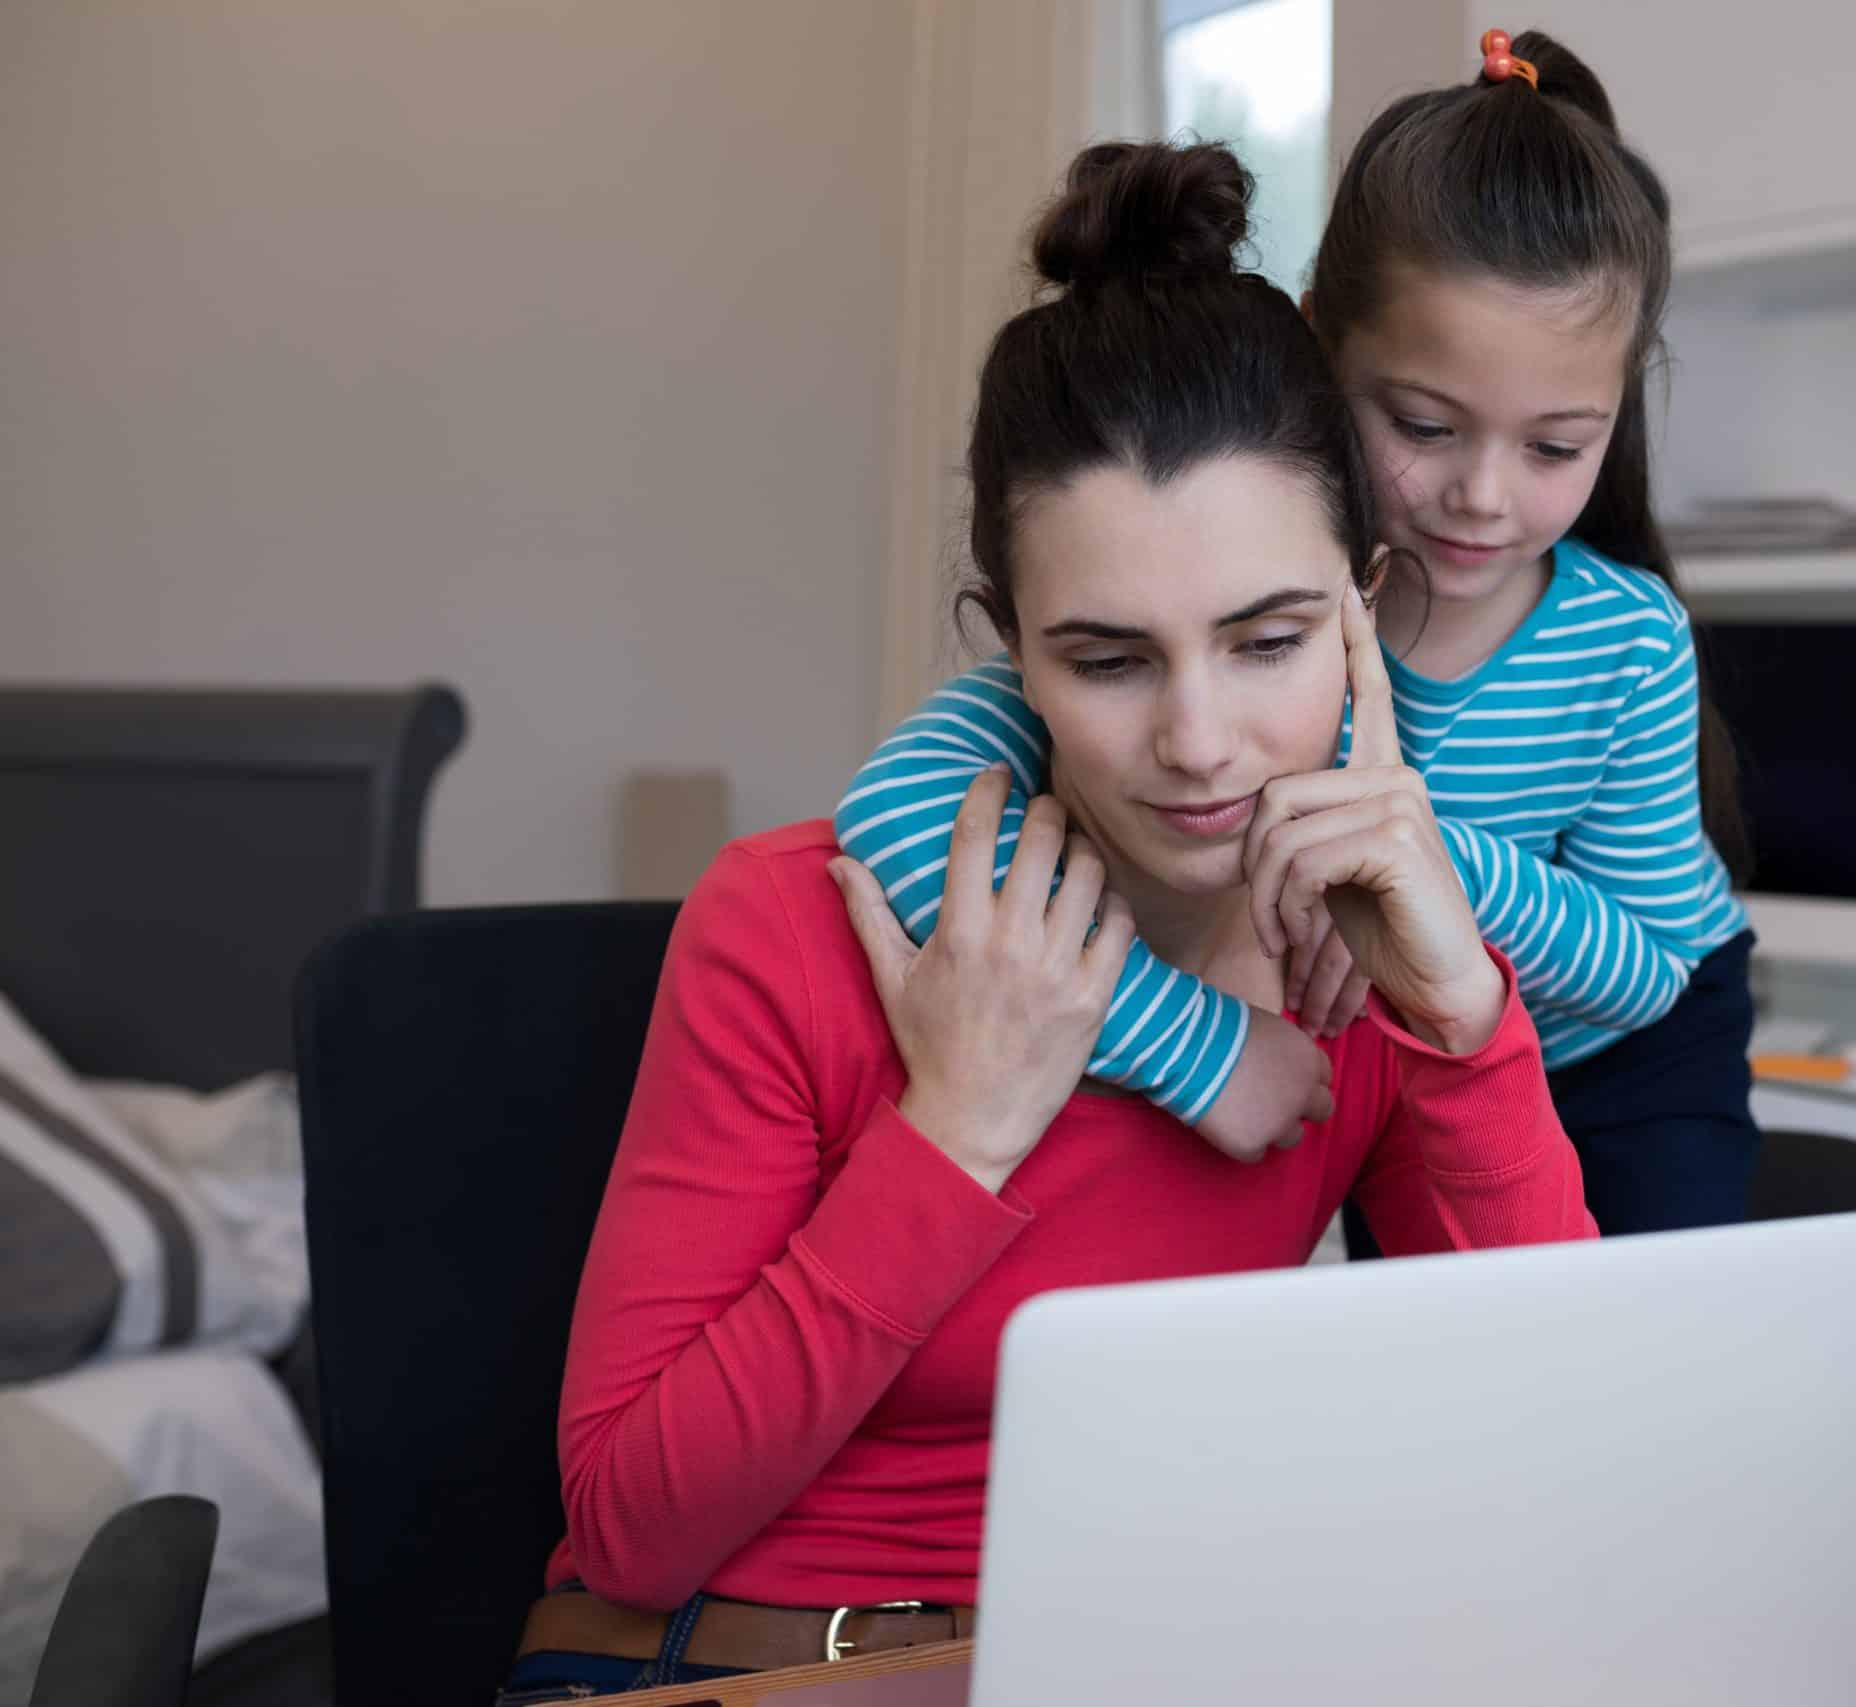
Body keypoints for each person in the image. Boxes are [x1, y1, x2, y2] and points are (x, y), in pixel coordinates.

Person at [495, 143, 1593, 1703]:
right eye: (1110, 659)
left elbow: (1551, 1433)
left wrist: (1467, 1020)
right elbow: (629, 1527)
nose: (1202, 740)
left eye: (1268, 640)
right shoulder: (798, 923)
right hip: (735, 1659)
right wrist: (957, 1131)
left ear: (1361, 610)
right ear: (1011, 651)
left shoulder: (1361, 951)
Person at [835, 28, 1761, 1241]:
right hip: (1405, 1047)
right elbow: (892, 813)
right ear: (1326, 348)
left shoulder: (1623, 640)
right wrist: (1196, 1048)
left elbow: (1644, 968)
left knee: (1658, 1365)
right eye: (1423, 425)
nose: (1484, 497)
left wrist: (1418, 861)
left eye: (1553, 446)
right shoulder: (1218, 610)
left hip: (1629, 1057)